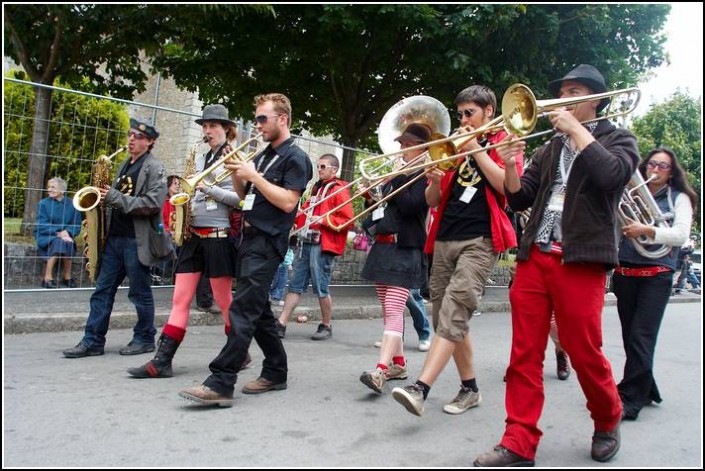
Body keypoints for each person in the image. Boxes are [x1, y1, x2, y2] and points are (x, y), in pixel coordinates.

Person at [473, 64, 640, 466]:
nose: (563, 99)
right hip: (536, 257)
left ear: (596, 99)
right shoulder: (549, 148)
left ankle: (607, 417)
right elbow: (519, 198)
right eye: (561, 92)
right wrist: (511, 163)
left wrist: (577, 131)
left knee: (583, 351)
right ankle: (518, 440)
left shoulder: (619, 139)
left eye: (574, 92)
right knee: (524, 353)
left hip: (581, 260)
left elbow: (611, 175)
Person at [392, 85, 522, 415]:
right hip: (444, 237)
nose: (462, 119)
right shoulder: (452, 147)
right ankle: (470, 388)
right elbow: (433, 200)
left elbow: (507, 189)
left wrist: (475, 146)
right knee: (445, 318)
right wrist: (434, 179)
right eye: (460, 113)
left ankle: (420, 387)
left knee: (455, 310)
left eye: (470, 113)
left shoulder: (503, 141)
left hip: (480, 239)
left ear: (489, 111)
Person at [179, 93, 312, 406]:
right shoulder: (265, 154)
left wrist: (254, 175)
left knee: (242, 309)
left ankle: (221, 381)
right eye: (256, 119)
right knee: (260, 311)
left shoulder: (296, 157)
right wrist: (241, 175)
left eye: (263, 118)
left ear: (283, 119)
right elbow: (244, 196)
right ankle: (276, 371)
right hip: (248, 237)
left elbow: (289, 202)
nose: (257, 124)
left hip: (269, 241)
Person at [128, 104, 249, 378]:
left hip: (218, 237)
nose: (208, 131)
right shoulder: (202, 157)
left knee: (224, 300)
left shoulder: (235, 158)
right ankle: (162, 360)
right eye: (205, 126)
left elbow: (240, 200)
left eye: (213, 126)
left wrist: (207, 188)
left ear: (227, 129)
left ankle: (239, 351)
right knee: (180, 298)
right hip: (193, 235)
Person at [63, 118, 174, 358]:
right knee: (102, 291)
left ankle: (145, 338)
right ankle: (92, 341)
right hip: (115, 239)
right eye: (130, 134)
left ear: (150, 142)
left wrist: (113, 197)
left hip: (137, 240)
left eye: (139, 136)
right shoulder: (124, 164)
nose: (132, 139)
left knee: (139, 293)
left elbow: (153, 204)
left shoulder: (155, 168)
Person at [613, 147, 696, 421]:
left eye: (662, 166)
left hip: (656, 275)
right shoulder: (630, 192)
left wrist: (648, 230)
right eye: (652, 164)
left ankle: (631, 398)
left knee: (641, 336)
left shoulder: (679, 198)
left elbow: (681, 234)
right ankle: (645, 387)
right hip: (625, 272)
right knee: (629, 336)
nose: (655, 170)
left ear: (672, 172)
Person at [358, 122, 430, 393]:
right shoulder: (395, 178)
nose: (403, 150)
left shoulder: (424, 176)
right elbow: (383, 212)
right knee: (389, 310)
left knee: (393, 309)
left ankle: (380, 370)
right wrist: (371, 196)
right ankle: (398, 363)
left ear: (423, 149)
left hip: (406, 249)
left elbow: (412, 205)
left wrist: (396, 179)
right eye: (402, 145)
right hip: (383, 247)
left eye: (410, 146)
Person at [275, 153, 353, 340]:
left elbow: (348, 220)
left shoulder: (339, 189)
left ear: (334, 170)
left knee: (321, 287)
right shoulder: (316, 188)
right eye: (318, 166)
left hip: (322, 244)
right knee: (295, 284)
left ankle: (326, 325)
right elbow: (307, 213)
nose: (319, 170)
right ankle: (281, 323)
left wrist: (325, 220)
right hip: (306, 241)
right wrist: (295, 221)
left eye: (323, 167)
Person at [34, 177, 82, 288]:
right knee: (59, 242)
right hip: (46, 235)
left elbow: (76, 224)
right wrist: (59, 233)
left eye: (53, 187)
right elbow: (42, 224)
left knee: (69, 243)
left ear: (62, 190)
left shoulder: (73, 204)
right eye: (48, 187)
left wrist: (68, 232)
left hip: (66, 236)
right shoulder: (43, 204)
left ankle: (67, 277)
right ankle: (47, 278)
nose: (49, 189)